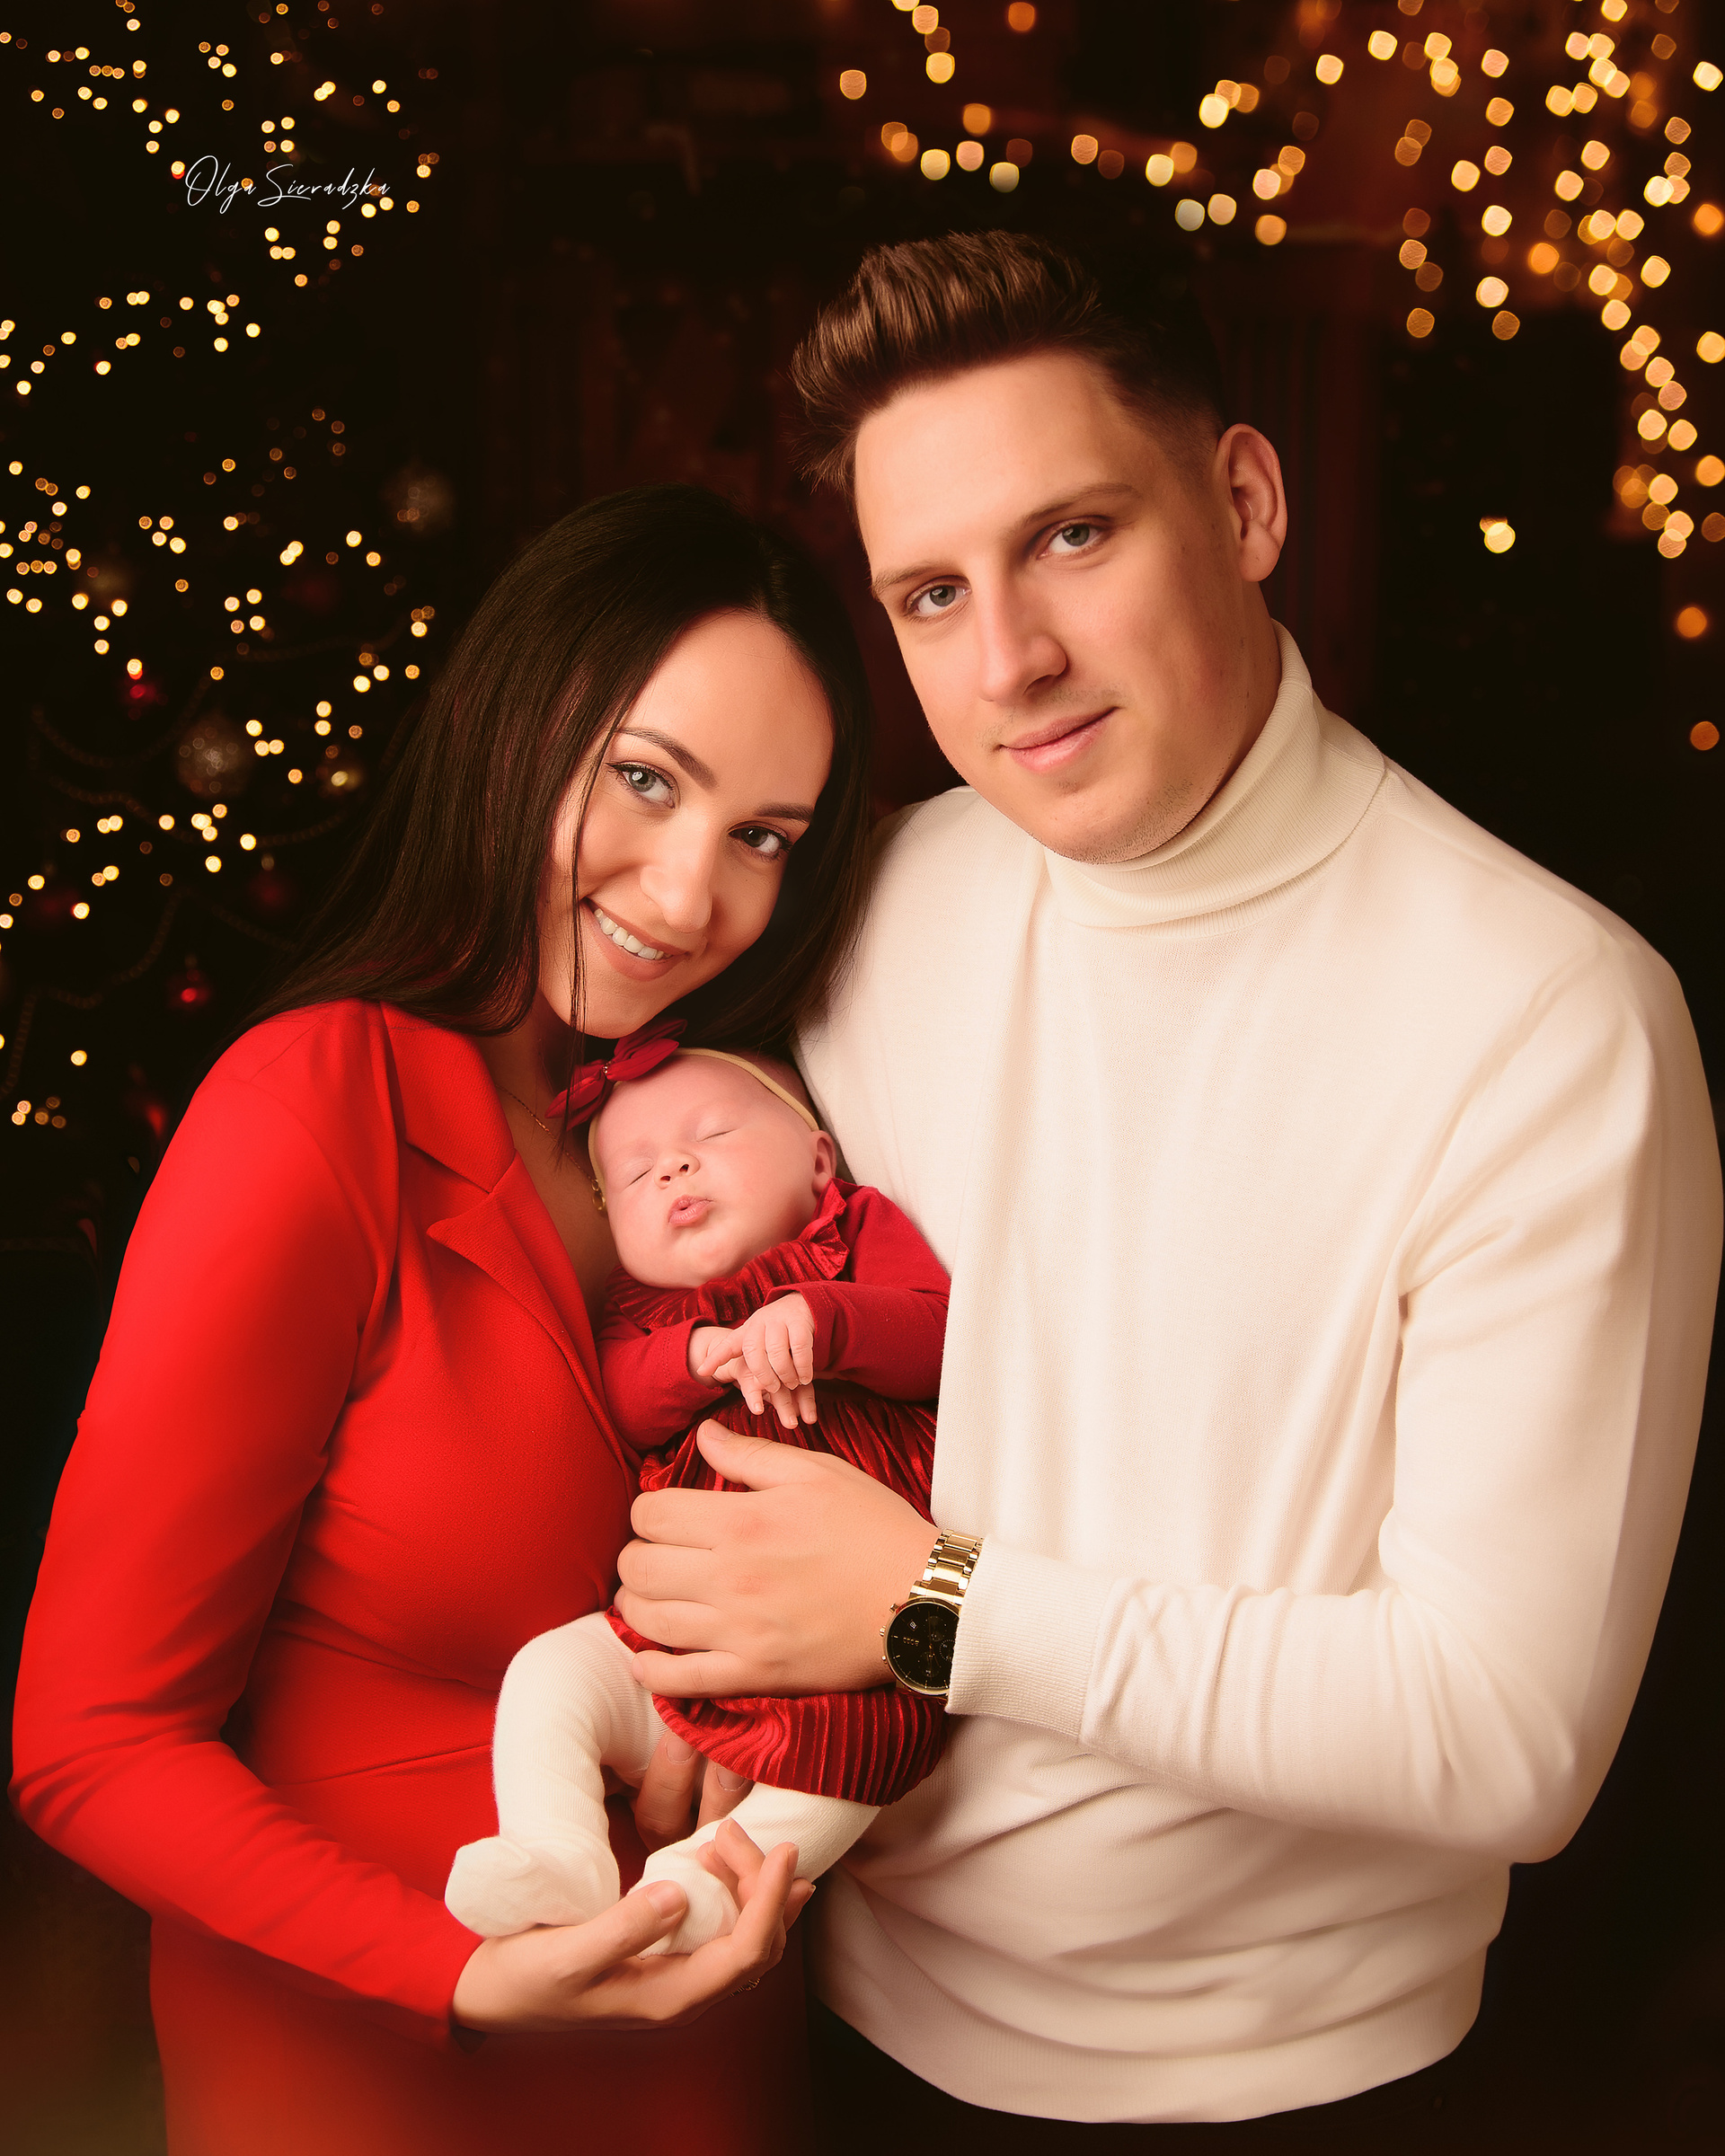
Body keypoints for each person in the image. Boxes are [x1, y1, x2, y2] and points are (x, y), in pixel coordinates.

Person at [609, 234, 1724, 2143]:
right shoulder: (872, 907)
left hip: (1299, 2093)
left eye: (1074, 537)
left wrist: (935, 1608)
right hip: (831, 2025)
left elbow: (1506, 1738)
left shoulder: (1550, 1019)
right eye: (931, 593)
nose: (1008, 661)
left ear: (1247, 503)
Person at [10, 482, 879, 2156]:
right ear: (518, 723)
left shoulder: (723, 1143)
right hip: (376, 2062)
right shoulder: (312, 1107)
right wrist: (456, 1974)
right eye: (647, 779)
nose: (689, 894)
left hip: (702, 2048)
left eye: (764, 836)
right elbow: (87, 1741)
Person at [444, 1046, 949, 1951]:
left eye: (710, 1135)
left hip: (847, 1659)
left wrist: (826, 1319)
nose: (673, 1169)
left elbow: (937, 1334)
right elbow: (623, 1401)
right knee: (553, 1674)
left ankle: (702, 1892)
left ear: (820, 1161)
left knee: (851, 1767)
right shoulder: (644, 1309)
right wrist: (690, 1357)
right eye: (636, 1175)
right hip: (674, 1640)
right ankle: (557, 1850)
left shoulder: (853, 1231)